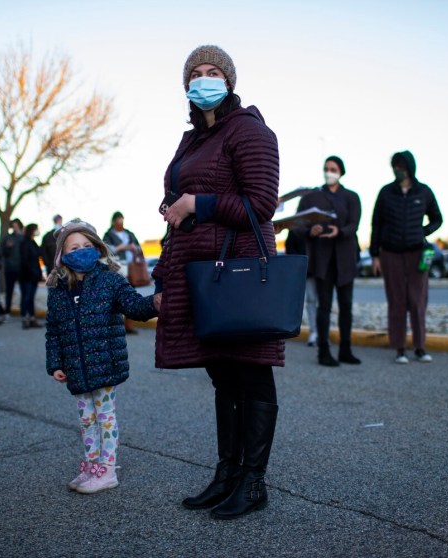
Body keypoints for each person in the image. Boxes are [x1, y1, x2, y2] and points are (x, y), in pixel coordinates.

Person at [153, 45, 281, 520]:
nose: (203, 79)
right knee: (222, 374)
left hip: (240, 269)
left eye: (213, 72)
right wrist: (165, 272)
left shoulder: (249, 129)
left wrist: (198, 204)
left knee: (250, 371)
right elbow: (177, 210)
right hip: (200, 270)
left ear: (228, 80)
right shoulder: (191, 140)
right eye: (195, 73)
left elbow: (261, 203)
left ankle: (253, 482)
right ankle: (227, 472)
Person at [45, 219, 158, 494]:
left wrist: (154, 303)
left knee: (105, 417)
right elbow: (54, 331)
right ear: (63, 255)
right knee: (86, 419)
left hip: (106, 364)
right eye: (74, 247)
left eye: (86, 245)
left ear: (97, 248)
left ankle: (107, 470)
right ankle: (91, 464)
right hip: (76, 367)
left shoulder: (110, 281)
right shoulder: (59, 290)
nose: (81, 250)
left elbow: (134, 306)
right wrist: (56, 364)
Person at [370, 150, 443, 364]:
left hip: (416, 252)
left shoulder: (424, 192)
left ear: (410, 167)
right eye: (395, 166)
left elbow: (438, 218)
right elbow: (376, 224)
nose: (398, 170)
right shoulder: (386, 193)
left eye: (401, 166)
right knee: (397, 300)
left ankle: (419, 347)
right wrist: (375, 255)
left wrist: (423, 231)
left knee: (417, 300)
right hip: (390, 253)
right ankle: (399, 348)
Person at [295, 156, 362, 367]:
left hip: (345, 258)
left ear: (341, 172)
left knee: (346, 305)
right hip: (323, 259)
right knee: (324, 305)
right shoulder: (312, 197)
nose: (329, 171)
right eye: (326, 168)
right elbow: (297, 225)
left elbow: (354, 224)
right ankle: (323, 351)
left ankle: (345, 349)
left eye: (333, 168)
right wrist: (310, 230)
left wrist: (339, 231)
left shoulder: (351, 197)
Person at [103, 211, 144, 334]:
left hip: (132, 269)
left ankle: (129, 326)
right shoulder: (108, 234)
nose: (120, 223)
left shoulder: (129, 233)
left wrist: (133, 248)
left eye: (122, 220)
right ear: (113, 221)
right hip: (117, 268)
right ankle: (115, 326)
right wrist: (121, 247)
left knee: (131, 296)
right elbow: (105, 250)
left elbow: (138, 248)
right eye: (118, 221)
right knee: (115, 297)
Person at [284, 229, 317, 347]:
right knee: (310, 300)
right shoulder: (296, 230)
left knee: (321, 303)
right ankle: (314, 332)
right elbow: (290, 249)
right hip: (305, 270)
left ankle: (319, 332)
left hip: (321, 268)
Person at [19, 223, 43, 329]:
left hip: (33, 274)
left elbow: (38, 254)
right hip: (27, 275)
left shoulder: (32, 242)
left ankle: (32, 317)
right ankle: (26, 317)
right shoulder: (24, 243)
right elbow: (25, 260)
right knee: (26, 297)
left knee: (31, 298)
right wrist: (32, 271)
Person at [1, 218, 23, 316]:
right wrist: (7, 248)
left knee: (24, 291)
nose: (15, 228)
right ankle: (7, 311)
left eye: (16, 226)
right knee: (9, 290)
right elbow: (2, 252)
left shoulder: (23, 238)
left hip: (22, 268)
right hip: (10, 268)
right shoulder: (8, 238)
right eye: (13, 226)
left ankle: (24, 311)